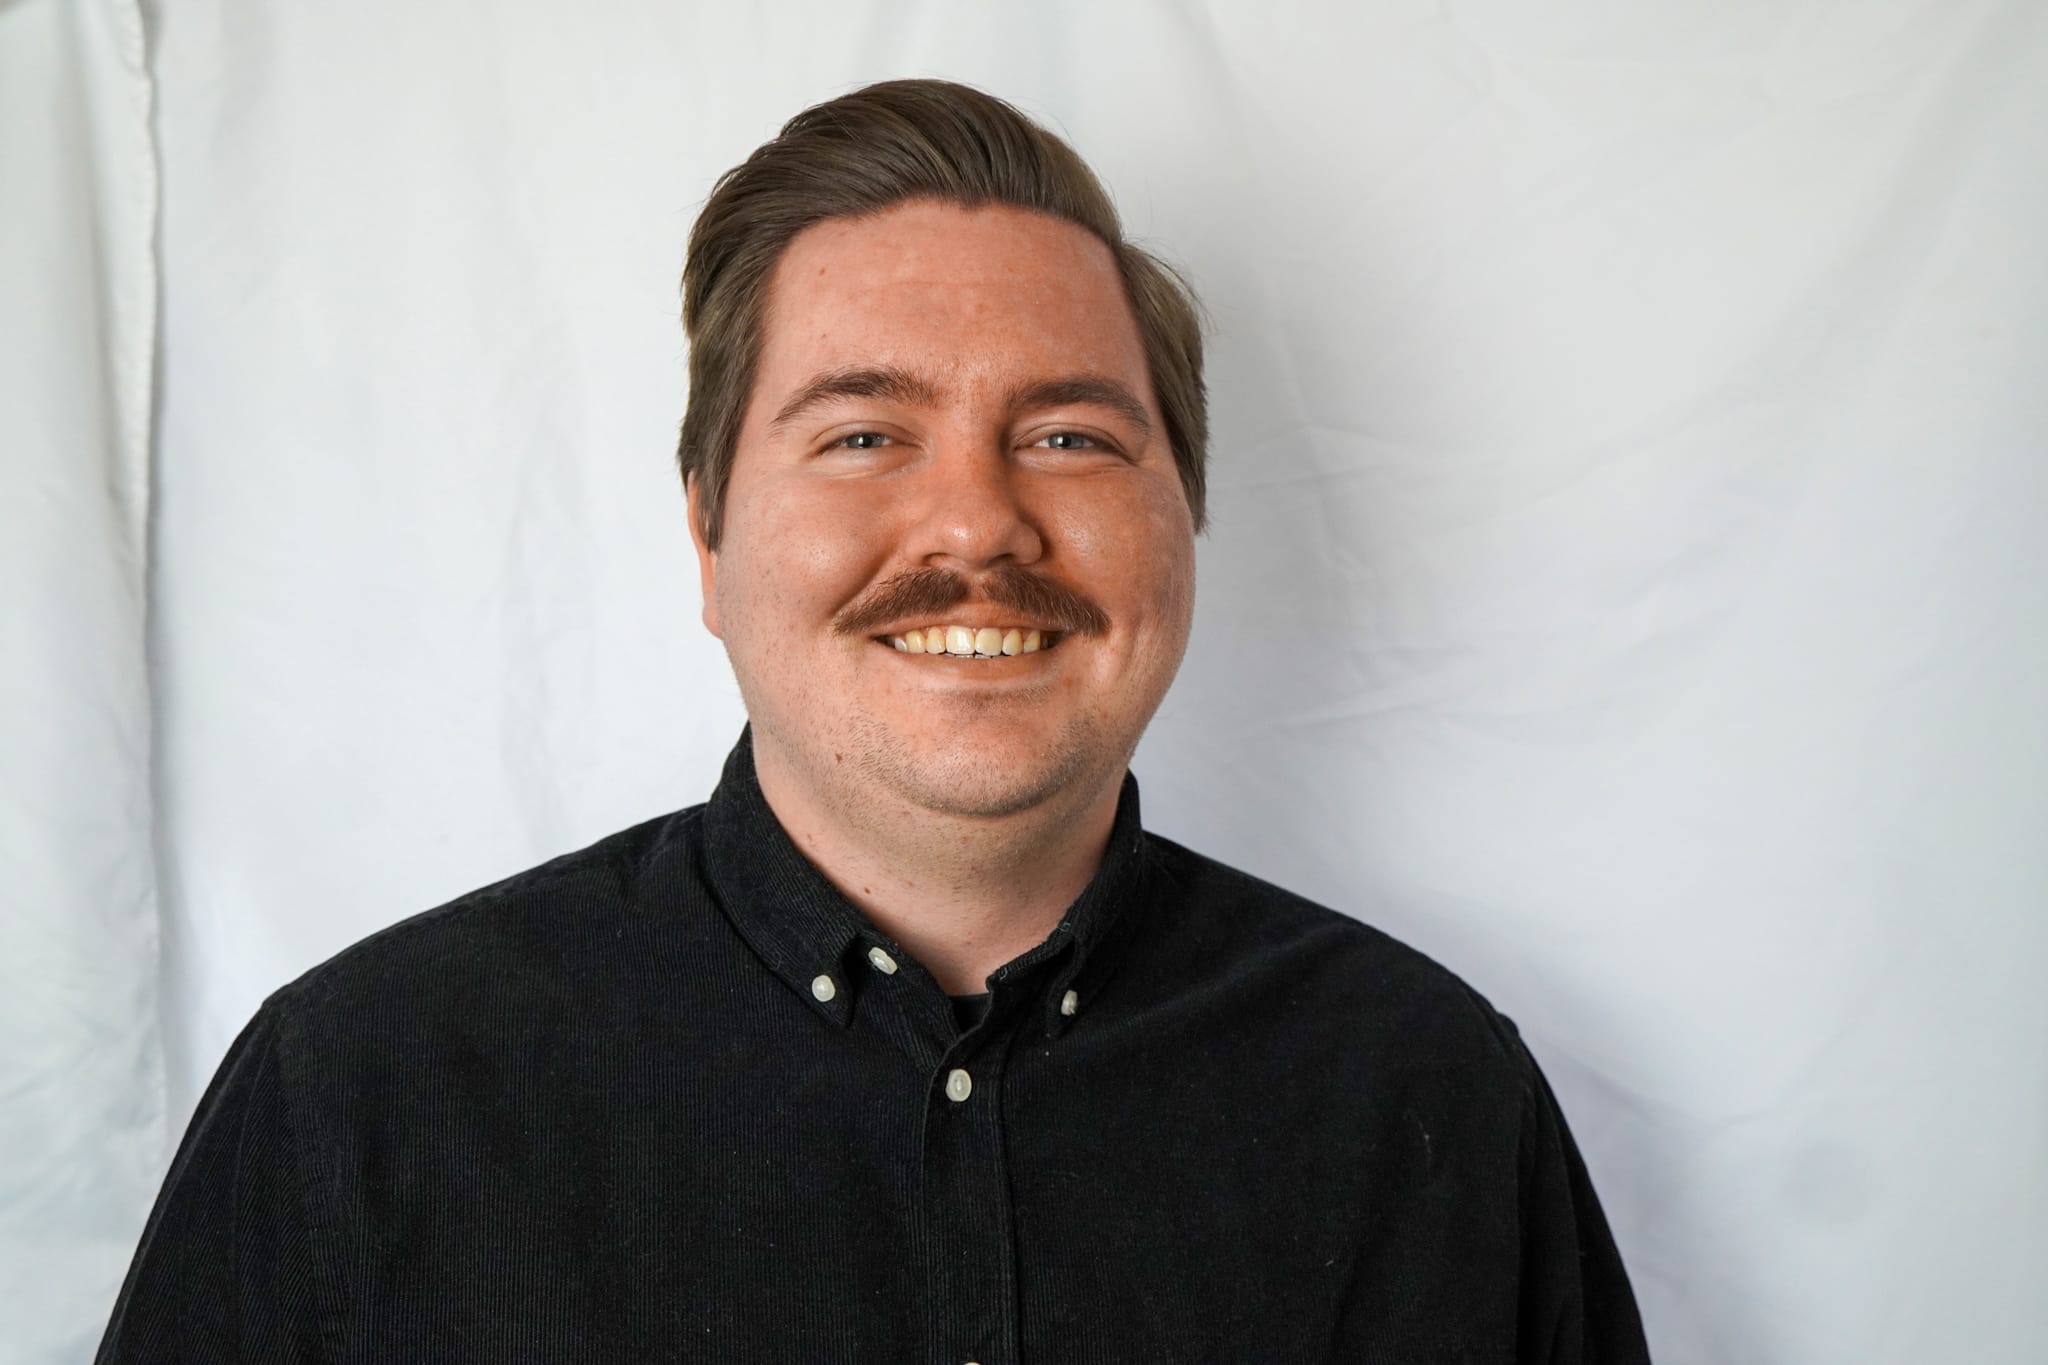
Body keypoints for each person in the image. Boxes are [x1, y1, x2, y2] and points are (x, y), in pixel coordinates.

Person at [96, 79, 1652, 1363]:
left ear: (1184, 517)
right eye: (862, 434)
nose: (976, 521)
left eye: (1068, 434)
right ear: (708, 536)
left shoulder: (1434, 1099)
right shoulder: (362, 1098)